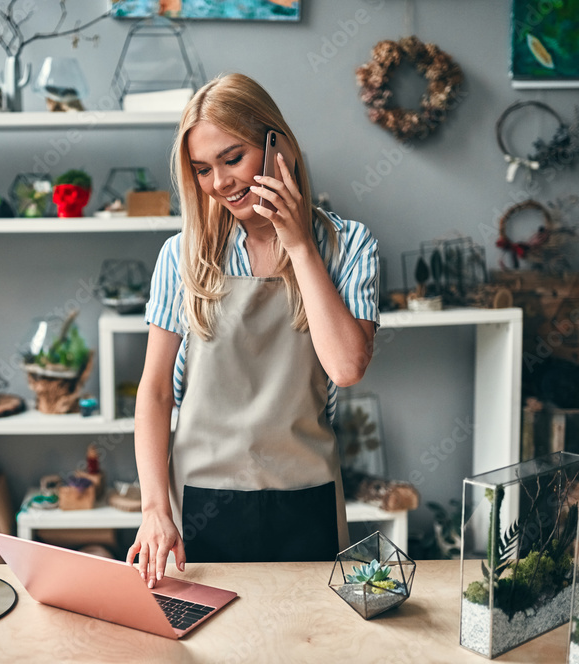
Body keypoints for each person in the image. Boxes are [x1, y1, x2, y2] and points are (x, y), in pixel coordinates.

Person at [126, 73, 380, 588]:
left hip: (306, 497)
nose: (219, 183)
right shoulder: (182, 257)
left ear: (277, 144)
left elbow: (347, 367)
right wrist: (154, 508)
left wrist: (300, 245)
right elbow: (154, 393)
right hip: (200, 504)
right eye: (201, 169)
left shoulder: (348, 246)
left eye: (232, 158)